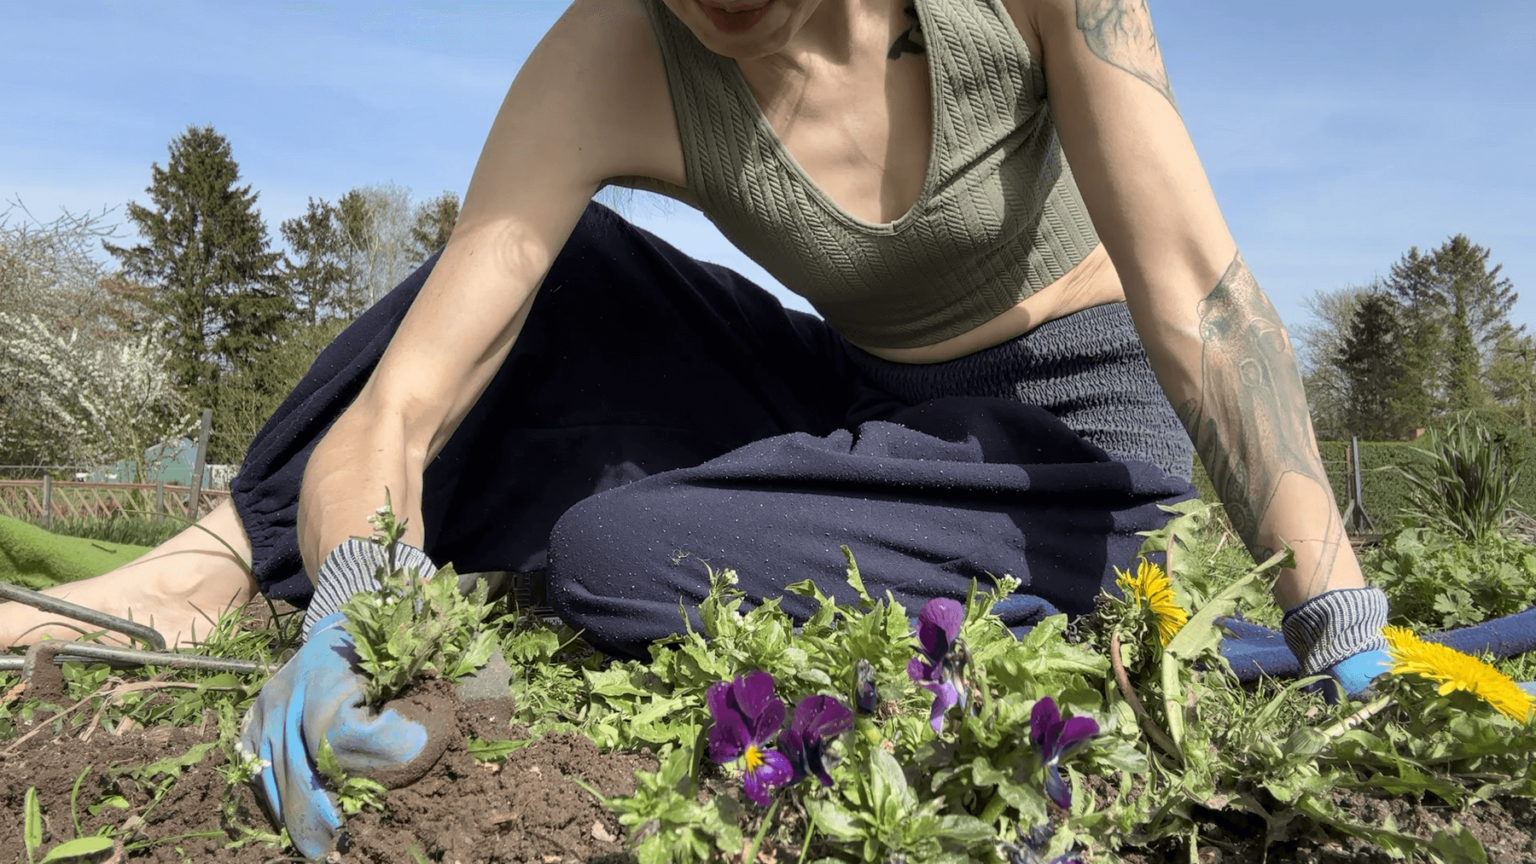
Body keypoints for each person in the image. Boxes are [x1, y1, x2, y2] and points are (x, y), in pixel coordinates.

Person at [1, 0, 1397, 855]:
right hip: (856, 394)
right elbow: (408, 399)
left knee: (626, 550)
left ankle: (480, 555)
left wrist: (1328, 597)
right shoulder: (616, 46)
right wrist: (357, 604)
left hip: (1068, 447)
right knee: (571, 275)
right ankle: (211, 570)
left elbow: (1198, 293)